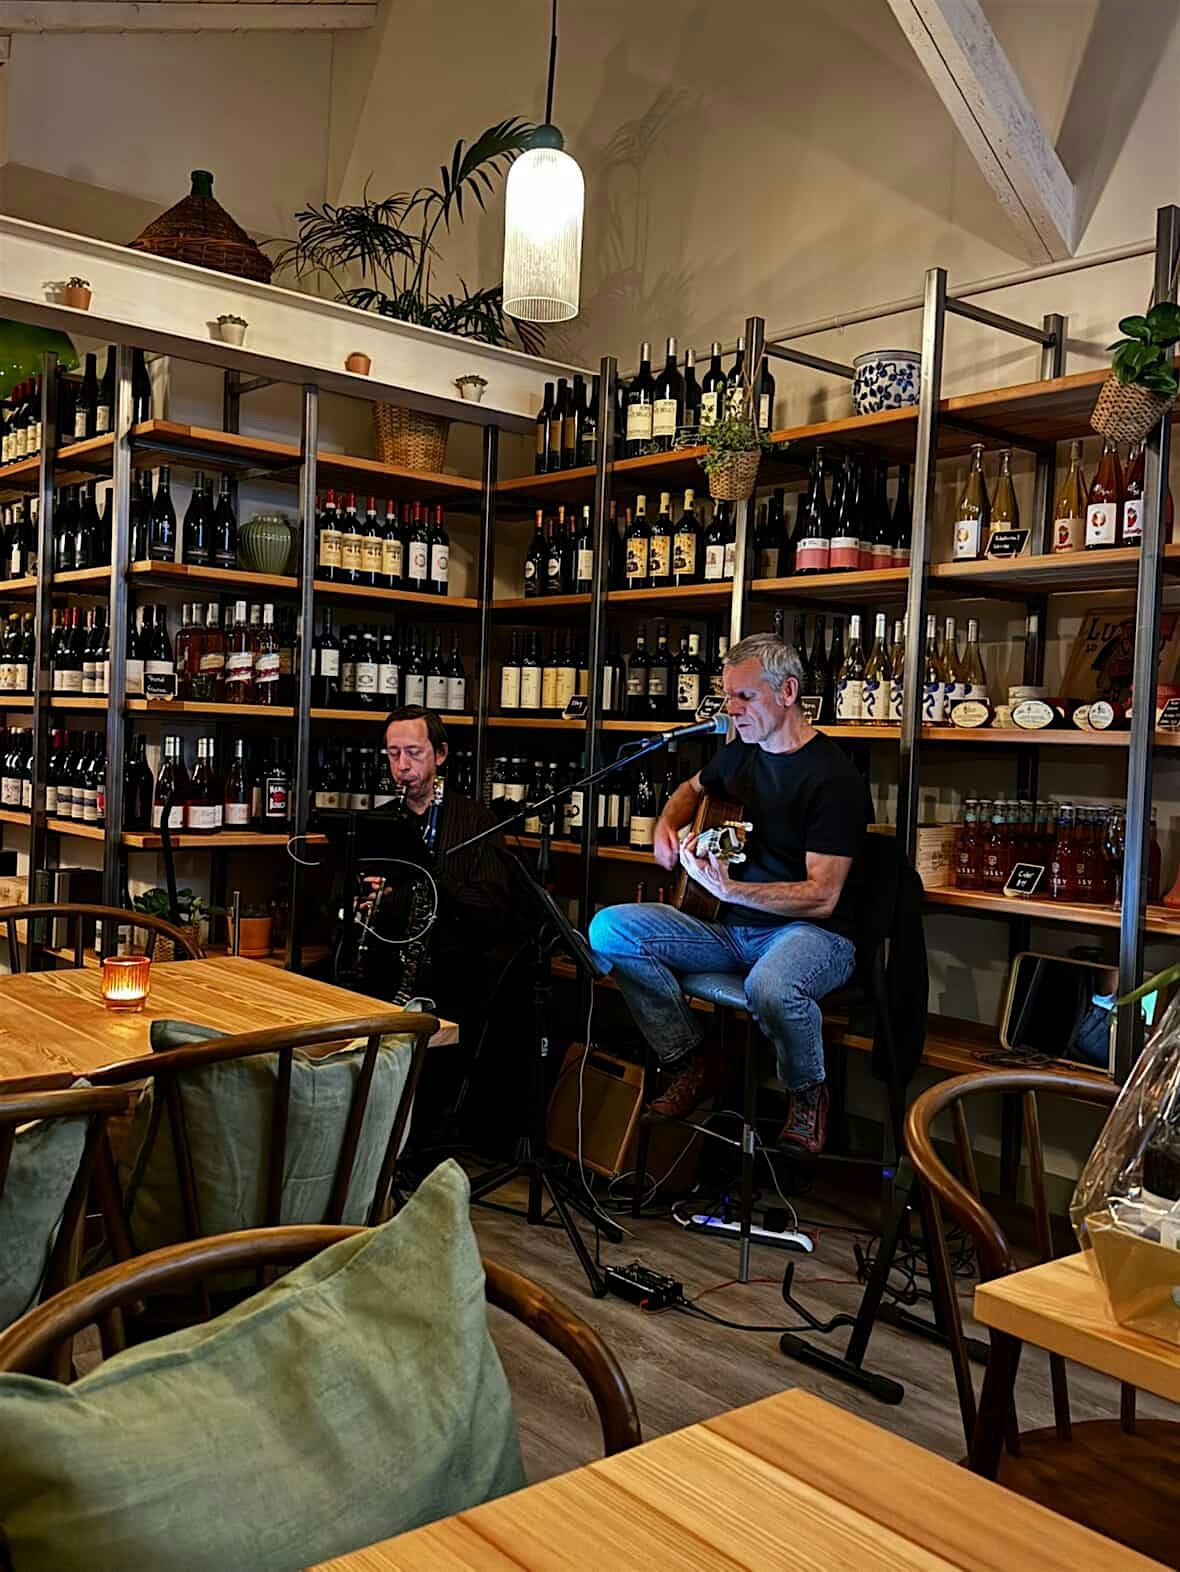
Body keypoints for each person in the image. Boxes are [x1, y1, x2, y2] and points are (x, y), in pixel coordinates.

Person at [589, 632, 867, 1154]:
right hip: (729, 925)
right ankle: (692, 1061)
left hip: (811, 934)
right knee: (610, 930)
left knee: (771, 987)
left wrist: (732, 888)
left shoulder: (834, 779)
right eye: (727, 696)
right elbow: (691, 789)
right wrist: (667, 826)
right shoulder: (742, 755)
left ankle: (807, 1092)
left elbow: (822, 896)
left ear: (787, 692)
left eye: (744, 696)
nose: (731, 708)